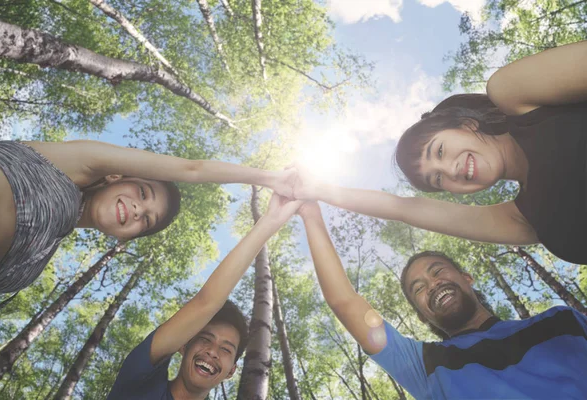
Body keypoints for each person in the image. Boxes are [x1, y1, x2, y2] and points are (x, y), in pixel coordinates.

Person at [293, 40, 587, 264]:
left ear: (467, 124)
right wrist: (318, 190)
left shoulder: (514, 94)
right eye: (437, 180)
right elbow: (402, 209)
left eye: (440, 151)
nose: (449, 171)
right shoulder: (520, 220)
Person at [298, 201, 587, 399]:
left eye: (437, 271)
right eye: (419, 288)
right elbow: (344, 301)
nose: (433, 284)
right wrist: (311, 213)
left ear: (467, 278)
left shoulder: (561, 321)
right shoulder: (424, 365)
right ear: (423, 315)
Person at [0, 139, 295, 293]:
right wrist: (270, 179)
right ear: (117, 176)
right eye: (143, 193)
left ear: (125, 237)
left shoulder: (42, 254)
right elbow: (193, 168)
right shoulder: (75, 162)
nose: (138, 210)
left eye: (146, 220)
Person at [107, 193, 303, 400]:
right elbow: (206, 303)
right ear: (183, 346)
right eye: (205, 339)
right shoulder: (139, 384)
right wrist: (270, 221)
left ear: (231, 371)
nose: (212, 351)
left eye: (226, 350)